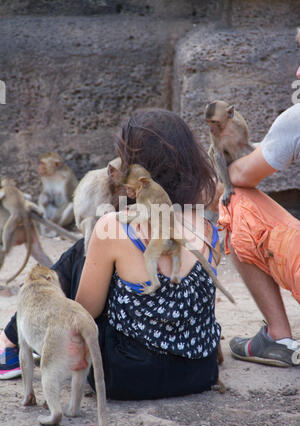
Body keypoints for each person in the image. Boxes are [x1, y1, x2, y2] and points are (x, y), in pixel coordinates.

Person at [0, 108, 223, 401]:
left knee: (84, 249)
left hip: (129, 375)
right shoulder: (206, 222)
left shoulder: (115, 226)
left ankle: (9, 341)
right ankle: (11, 339)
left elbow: (83, 312)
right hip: (200, 371)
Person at [216, 100, 300, 367]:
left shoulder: (295, 119)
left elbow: (242, 175)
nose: (298, 73)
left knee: (234, 198)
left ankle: (277, 336)